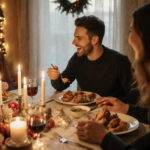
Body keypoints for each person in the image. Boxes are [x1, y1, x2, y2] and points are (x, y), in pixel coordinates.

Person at [76, 3, 150, 150]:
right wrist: (126, 109)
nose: (129, 39)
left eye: (131, 31)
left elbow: (134, 94)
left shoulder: (118, 61)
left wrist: (104, 138)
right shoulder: (78, 59)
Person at [47, 15, 139, 105]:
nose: (73, 42)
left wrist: (108, 103)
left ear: (94, 40)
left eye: (79, 38)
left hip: (112, 115)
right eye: (74, 37)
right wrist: (56, 78)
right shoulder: (77, 59)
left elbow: (136, 96)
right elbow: (62, 85)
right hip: (85, 113)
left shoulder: (120, 61)